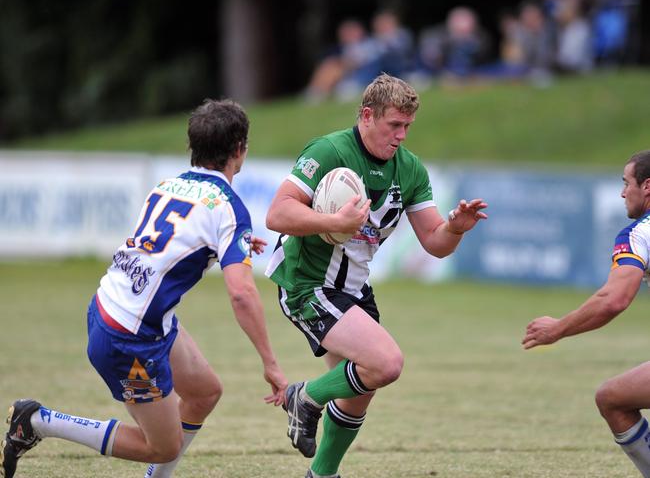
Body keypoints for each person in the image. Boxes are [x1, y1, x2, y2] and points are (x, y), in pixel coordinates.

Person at [1, 99, 288, 478]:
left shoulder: (167, 186)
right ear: (240, 150)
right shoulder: (229, 208)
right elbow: (242, 293)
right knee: (161, 446)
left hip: (119, 308)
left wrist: (228, 244)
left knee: (204, 393)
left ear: (193, 146)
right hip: (129, 336)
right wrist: (271, 363)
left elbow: (168, 244)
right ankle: (36, 421)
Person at [265, 73, 488, 478]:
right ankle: (305, 398)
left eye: (407, 127)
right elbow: (277, 214)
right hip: (307, 282)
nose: (401, 135)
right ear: (367, 116)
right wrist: (332, 220)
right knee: (385, 364)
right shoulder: (329, 150)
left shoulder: (410, 170)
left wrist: (456, 227)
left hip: (352, 288)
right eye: (394, 125)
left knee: (358, 392)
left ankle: (321, 474)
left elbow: (435, 243)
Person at [523, 150, 650, 477]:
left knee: (612, 399)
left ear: (647, 186)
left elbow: (614, 299)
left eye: (626, 183)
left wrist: (558, 329)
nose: (623, 193)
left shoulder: (639, 233)